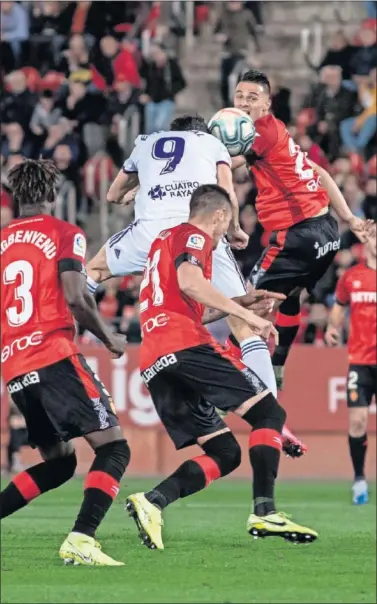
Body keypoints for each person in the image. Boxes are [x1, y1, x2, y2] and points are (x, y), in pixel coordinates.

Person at [86, 114, 304, 458]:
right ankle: (270, 416)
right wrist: (233, 230)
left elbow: (114, 194)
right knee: (244, 321)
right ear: (203, 131)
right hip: (197, 228)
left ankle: (63, 334)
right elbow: (225, 188)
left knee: (94, 270)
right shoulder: (211, 142)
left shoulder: (145, 142)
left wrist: (139, 192)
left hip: (151, 232)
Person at [125, 184, 318, 550]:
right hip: (185, 345)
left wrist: (241, 300)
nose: (224, 234)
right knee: (269, 413)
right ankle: (265, 510)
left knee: (225, 453)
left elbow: (185, 300)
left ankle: (153, 501)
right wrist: (247, 316)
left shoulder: (164, 242)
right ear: (218, 215)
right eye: (226, 224)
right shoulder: (193, 236)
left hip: (155, 358)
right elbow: (190, 283)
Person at [0, 159, 129, 566]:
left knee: (59, 464)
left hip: (15, 366)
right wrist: (109, 337)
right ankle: (82, 539)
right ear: (52, 194)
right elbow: (75, 297)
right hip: (53, 356)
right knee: (114, 449)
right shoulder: (64, 233)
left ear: (16, 196)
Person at [231, 68, 373, 392]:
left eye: (252, 98)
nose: (243, 102)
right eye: (239, 96)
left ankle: (232, 384)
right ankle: (278, 365)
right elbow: (319, 171)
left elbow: (226, 163)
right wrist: (349, 218)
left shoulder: (258, 134)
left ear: (266, 104)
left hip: (299, 235)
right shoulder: (278, 129)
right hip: (327, 232)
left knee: (244, 304)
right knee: (290, 295)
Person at [325, 223, 376, 505]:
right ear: (367, 239)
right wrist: (333, 328)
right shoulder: (352, 277)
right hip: (360, 361)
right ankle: (359, 480)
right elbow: (339, 305)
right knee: (357, 423)